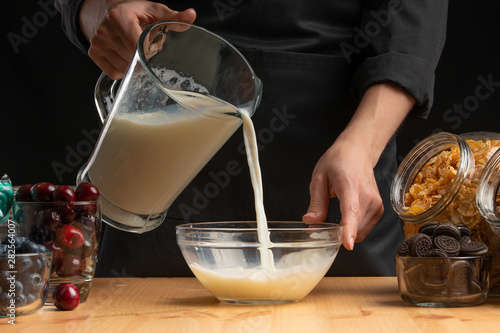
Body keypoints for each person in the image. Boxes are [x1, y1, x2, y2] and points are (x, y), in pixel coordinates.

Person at [55, 0, 448, 277]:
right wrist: (101, 11)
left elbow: (412, 12)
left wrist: (362, 143)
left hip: (343, 155)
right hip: (168, 120)